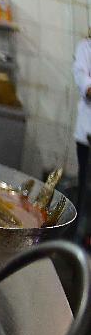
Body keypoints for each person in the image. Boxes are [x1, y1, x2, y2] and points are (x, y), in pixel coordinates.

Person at [72, 37, 91, 230]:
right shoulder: (85, 48)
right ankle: (78, 240)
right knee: (86, 191)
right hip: (87, 135)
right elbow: (84, 82)